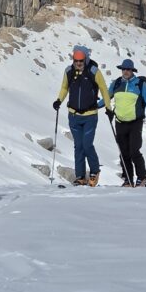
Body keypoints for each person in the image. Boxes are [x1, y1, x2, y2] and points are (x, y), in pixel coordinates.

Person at [53, 45, 112, 186]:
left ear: (85, 59)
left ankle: (94, 171)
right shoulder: (69, 71)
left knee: (87, 145)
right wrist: (59, 100)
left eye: (81, 60)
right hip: (73, 116)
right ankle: (80, 176)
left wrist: (108, 108)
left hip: (90, 115)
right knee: (78, 146)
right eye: (76, 60)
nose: (78, 63)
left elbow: (104, 89)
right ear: (73, 59)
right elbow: (64, 88)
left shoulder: (93, 71)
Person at [107, 59, 146, 187]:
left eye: (128, 69)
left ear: (132, 70)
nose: (126, 71)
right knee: (124, 153)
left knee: (134, 151)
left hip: (135, 123)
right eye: (124, 69)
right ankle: (128, 179)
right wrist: (96, 107)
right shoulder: (117, 83)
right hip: (120, 122)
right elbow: (107, 98)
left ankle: (142, 178)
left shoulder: (139, 84)